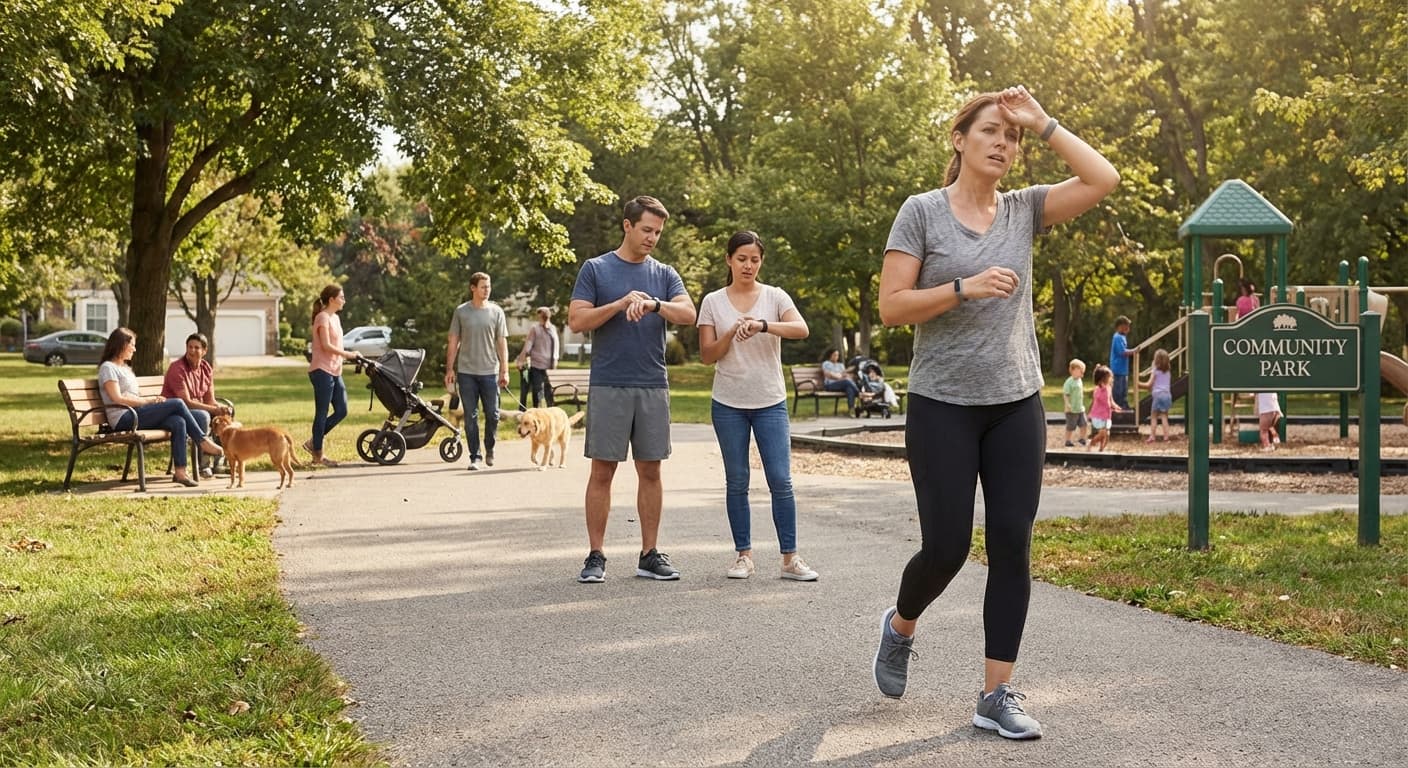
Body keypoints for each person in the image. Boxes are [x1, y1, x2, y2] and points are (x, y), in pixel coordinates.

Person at [872, 85, 1119, 740]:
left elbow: (1104, 178)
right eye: (991, 131)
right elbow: (892, 306)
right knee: (947, 548)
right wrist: (963, 287)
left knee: (1013, 541)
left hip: (1016, 402)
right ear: (959, 140)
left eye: (1011, 137)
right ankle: (900, 625)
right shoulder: (921, 212)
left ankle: (995, 694)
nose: (1003, 144)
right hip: (942, 404)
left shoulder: (1024, 209)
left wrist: (1044, 122)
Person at [568, 195, 696, 583]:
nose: (652, 238)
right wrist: (620, 304)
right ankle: (595, 555)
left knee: (651, 470)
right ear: (627, 225)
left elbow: (689, 314)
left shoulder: (665, 274)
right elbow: (576, 320)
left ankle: (649, 554)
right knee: (602, 471)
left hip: (652, 384)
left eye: (657, 232)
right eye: (646, 230)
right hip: (609, 383)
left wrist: (655, 304)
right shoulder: (596, 269)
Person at [697, 231, 817, 582]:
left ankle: (790, 559)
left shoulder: (774, 296)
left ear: (761, 261)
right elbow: (707, 355)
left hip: (770, 402)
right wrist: (731, 333)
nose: (748, 265)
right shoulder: (713, 302)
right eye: (741, 259)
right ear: (729, 260)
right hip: (728, 403)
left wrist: (763, 325)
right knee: (737, 480)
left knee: (780, 479)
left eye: (754, 259)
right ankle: (743, 556)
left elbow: (801, 329)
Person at [97, 327, 223, 488]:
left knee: (178, 422)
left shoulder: (125, 368)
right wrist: (148, 401)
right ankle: (202, 440)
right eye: (132, 345)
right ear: (121, 345)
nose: (134, 349)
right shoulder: (108, 368)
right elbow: (117, 399)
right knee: (178, 403)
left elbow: (133, 395)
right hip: (123, 418)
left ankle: (180, 472)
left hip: (136, 413)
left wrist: (152, 401)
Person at [443, 272, 510, 470]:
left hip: (490, 372)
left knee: (493, 414)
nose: (487, 290)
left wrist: (505, 370)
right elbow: (453, 341)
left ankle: (490, 447)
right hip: (467, 373)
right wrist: (450, 369)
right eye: (483, 286)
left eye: (488, 286)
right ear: (473, 288)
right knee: (470, 416)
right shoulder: (461, 312)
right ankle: (475, 456)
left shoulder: (497, 312)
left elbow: (502, 343)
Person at [162, 332, 232, 477]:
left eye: (196, 348)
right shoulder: (177, 368)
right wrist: (214, 409)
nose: (192, 350)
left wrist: (221, 408)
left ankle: (220, 463)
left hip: (196, 409)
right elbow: (186, 403)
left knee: (224, 416)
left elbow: (209, 400)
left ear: (204, 351)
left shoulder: (206, 368)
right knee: (203, 416)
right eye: (190, 347)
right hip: (175, 413)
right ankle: (203, 465)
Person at [307, 284, 360, 467]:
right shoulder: (322, 317)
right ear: (331, 299)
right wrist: (348, 355)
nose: (344, 300)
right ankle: (318, 455)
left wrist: (346, 357)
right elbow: (326, 345)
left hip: (335, 370)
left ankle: (314, 441)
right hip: (321, 370)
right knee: (322, 412)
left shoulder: (335, 318)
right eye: (341, 297)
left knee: (342, 410)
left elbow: (336, 345)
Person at [515, 306, 560, 409]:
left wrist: (555, 361)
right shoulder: (536, 329)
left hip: (549, 367)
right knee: (539, 390)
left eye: (542, 316)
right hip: (538, 366)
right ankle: (538, 409)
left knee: (546, 391)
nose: (541, 318)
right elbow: (528, 347)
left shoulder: (551, 329)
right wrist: (521, 360)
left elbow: (555, 347)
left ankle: (547, 410)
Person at [1087, 364, 1122, 452]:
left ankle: (1101, 448)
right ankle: (1091, 443)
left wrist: (1115, 406)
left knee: (1107, 434)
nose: (1111, 379)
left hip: (1106, 415)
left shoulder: (1109, 388)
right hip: (1098, 415)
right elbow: (1098, 401)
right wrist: (1089, 412)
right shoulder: (1098, 390)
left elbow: (1110, 400)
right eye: (1109, 377)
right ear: (1103, 379)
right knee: (1103, 433)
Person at [1141, 348, 1173, 442]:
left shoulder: (1155, 371)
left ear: (1156, 361)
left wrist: (1138, 384)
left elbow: (1149, 384)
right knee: (1164, 416)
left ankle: (1152, 436)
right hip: (1167, 395)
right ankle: (1166, 437)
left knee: (1154, 416)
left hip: (1158, 395)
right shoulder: (1168, 372)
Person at [821, 348, 861, 414]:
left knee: (849, 388)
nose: (836, 357)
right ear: (830, 355)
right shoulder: (826, 363)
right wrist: (840, 376)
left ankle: (851, 409)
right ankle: (859, 393)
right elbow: (829, 375)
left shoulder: (840, 365)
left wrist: (841, 375)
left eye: (837, 355)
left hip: (842, 384)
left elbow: (844, 375)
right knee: (846, 381)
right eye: (834, 355)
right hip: (830, 385)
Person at [1109, 316, 1135, 410]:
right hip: (1117, 369)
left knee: (1124, 390)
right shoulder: (1117, 337)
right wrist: (1134, 351)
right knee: (1118, 391)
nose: (1128, 328)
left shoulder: (1123, 337)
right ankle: (1117, 407)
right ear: (1120, 326)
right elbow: (1122, 352)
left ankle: (1123, 405)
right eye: (1126, 326)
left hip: (1123, 369)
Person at [1062, 358, 1088, 447]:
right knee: (1071, 426)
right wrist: (1067, 404)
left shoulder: (1079, 381)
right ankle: (1068, 440)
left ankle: (1082, 438)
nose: (1082, 373)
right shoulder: (1069, 382)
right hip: (1071, 409)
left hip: (1080, 408)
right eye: (1080, 370)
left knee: (1084, 423)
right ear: (1073, 370)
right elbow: (1066, 394)